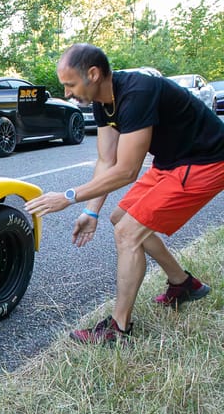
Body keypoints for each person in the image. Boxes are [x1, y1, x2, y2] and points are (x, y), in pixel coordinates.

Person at [24, 43, 224, 344]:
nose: (66, 93)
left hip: (206, 161)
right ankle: (183, 284)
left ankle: (118, 328)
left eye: (70, 84)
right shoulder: (102, 102)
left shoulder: (137, 93)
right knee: (120, 218)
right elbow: (107, 161)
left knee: (128, 233)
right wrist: (91, 211)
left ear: (93, 74)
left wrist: (67, 196)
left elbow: (127, 171)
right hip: (171, 162)